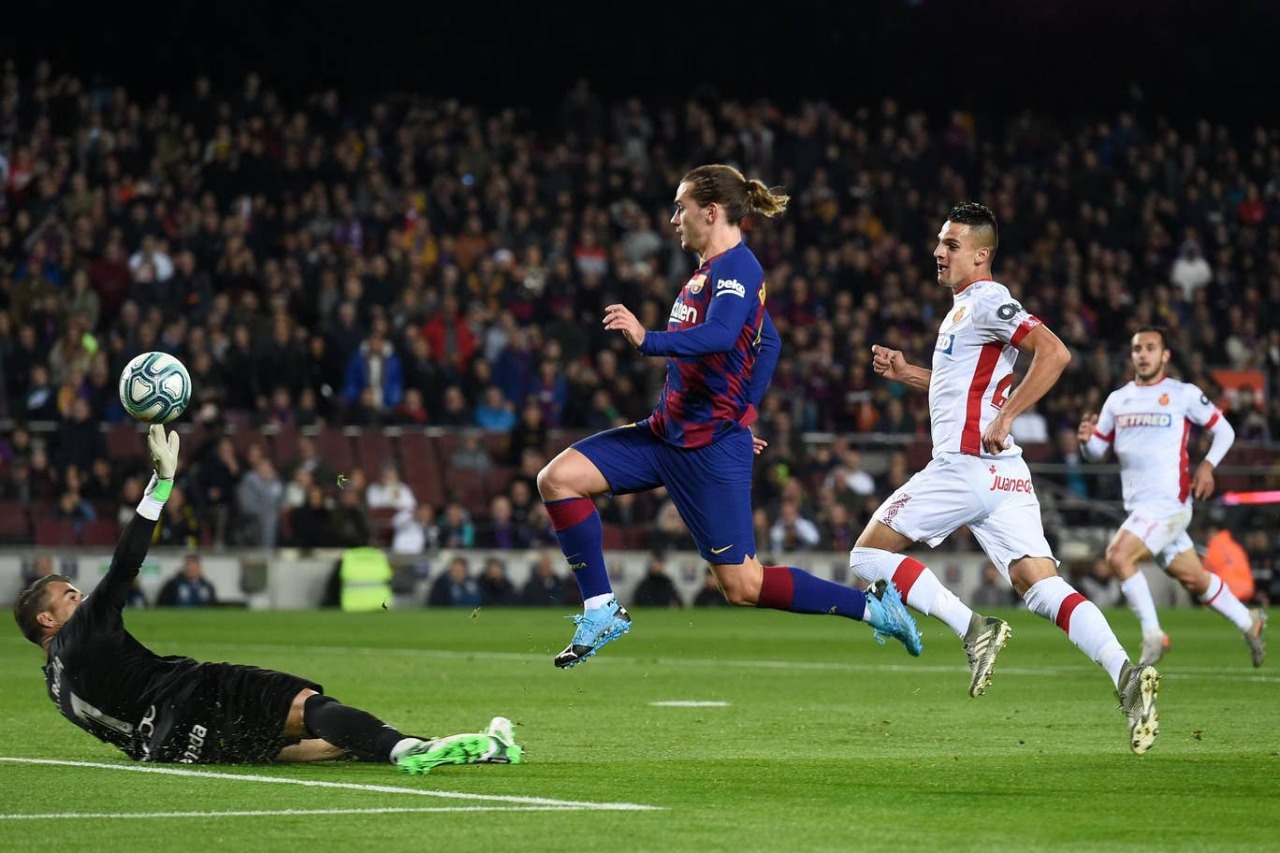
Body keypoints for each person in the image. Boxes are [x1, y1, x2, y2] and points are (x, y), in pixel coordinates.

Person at [535, 163, 921, 670]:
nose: (674, 218)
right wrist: (744, 411)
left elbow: (719, 336)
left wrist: (647, 340)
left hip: (707, 451)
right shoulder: (708, 272)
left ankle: (873, 608)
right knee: (558, 479)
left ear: (710, 211)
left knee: (743, 586)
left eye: (681, 207)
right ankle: (601, 609)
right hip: (665, 433)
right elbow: (771, 340)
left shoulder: (738, 269)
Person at [12, 425, 521, 774]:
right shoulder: (79, 634)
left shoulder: (56, 688)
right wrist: (160, 485)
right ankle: (410, 749)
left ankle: (460, 748)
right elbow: (125, 563)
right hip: (193, 695)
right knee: (306, 706)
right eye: (68, 595)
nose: (81, 596)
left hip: (172, 748)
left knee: (295, 744)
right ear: (46, 618)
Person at [849, 202, 1160, 754]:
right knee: (1040, 585)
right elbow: (962, 389)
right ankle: (1124, 675)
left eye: (951, 244)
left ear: (981, 253)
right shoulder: (962, 311)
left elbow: (1054, 352)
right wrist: (907, 374)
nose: (938, 253)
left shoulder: (989, 299)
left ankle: (975, 629)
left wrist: (1008, 415)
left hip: (965, 465)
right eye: (939, 243)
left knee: (867, 557)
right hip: (1003, 474)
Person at [1077, 327, 1265, 667]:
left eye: (1150, 348)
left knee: (1118, 555)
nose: (1143, 354)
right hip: (1141, 507)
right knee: (1194, 578)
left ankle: (1153, 635)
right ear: (1131, 355)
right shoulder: (1118, 400)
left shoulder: (1182, 394)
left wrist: (1207, 466)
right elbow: (1096, 451)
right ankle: (1248, 621)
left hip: (1169, 503)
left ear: (1164, 356)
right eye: (1137, 349)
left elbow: (1224, 430)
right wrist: (1086, 440)